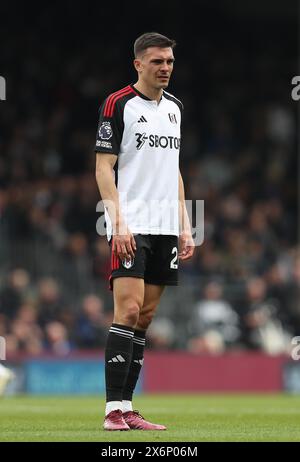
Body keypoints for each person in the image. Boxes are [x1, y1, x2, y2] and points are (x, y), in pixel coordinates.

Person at [95, 32, 194, 431]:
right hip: (130, 223)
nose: (165, 67)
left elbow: (174, 170)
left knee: (146, 317)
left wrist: (187, 226)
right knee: (129, 309)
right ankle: (110, 411)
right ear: (139, 64)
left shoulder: (176, 108)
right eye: (157, 61)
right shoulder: (118, 104)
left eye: (169, 61)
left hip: (166, 226)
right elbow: (104, 167)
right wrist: (117, 221)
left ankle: (127, 406)